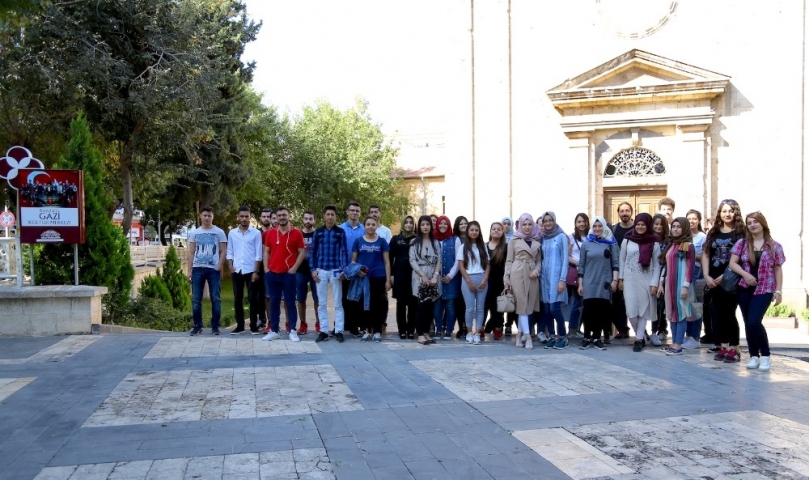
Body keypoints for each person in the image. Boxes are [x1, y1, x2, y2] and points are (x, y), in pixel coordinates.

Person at [729, 211, 785, 372]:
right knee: (748, 322)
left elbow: (778, 270)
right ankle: (754, 356)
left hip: (765, 288)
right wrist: (745, 275)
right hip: (744, 288)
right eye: (749, 222)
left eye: (755, 222)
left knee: (754, 321)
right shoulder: (742, 243)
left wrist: (779, 291)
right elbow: (733, 264)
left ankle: (765, 355)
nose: (752, 225)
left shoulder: (775, 246)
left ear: (762, 224)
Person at [701, 199, 746, 363]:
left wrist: (724, 277)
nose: (727, 214)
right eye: (724, 211)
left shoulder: (741, 233)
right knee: (715, 313)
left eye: (730, 211)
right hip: (712, 279)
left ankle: (735, 348)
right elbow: (706, 254)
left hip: (731, 280)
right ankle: (723, 346)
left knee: (728, 313)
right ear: (719, 213)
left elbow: (742, 259)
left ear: (736, 213)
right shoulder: (713, 232)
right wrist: (706, 275)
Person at [618, 213, 661, 352]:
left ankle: (639, 339)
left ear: (647, 225)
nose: (640, 227)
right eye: (638, 224)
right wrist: (620, 278)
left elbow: (656, 265)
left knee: (643, 310)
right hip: (629, 280)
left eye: (643, 224)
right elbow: (622, 260)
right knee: (631, 312)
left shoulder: (654, 242)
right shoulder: (627, 240)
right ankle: (641, 334)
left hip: (646, 279)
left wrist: (655, 283)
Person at [262, 206, 305, 342]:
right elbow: (266, 252)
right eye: (279, 215)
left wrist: (294, 269)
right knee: (274, 302)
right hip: (272, 273)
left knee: (290, 302)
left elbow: (301, 252)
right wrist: (266, 269)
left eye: (284, 215)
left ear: (289, 216)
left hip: (288, 274)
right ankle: (274, 330)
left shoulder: (297, 233)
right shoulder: (270, 233)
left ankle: (292, 330)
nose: (281, 217)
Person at [577, 216, 619, 350]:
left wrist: (615, 280)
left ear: (604, 227)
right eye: (595, 226)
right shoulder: (586, 244)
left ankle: (596, 338)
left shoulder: (611, 243)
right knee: (588, 310)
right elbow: (581, 265)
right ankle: (586, 337)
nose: (597, 229)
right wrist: (580, 284)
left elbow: (616, 264)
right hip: (589, 281)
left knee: (601, 311)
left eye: (600, 226)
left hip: (604, 281)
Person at [658, 217, 697, 355]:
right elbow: (666, 266)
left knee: (680, 314)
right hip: (670, 285)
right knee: (672, 313)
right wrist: (661, 282)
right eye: (673, 226)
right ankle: (673, 342)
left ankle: (678, 344)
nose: (675, 229)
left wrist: (686, 286)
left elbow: (690, 267)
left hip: (681, 285)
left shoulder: (688, 246)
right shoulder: (672, 244)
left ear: (684, 228)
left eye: (678, 227)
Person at [311, 204, 349, 343]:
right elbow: (313, 252)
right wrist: (313, 270)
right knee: (321, 303)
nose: (330, 217)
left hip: (335, 271)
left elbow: (344, 252)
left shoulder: (340, 232)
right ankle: (324, 331)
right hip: (321, 270)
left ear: (335, 216)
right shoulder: (319, 232)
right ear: (324, 216)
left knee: (338, 302)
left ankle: (339, 330)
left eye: (333, 214)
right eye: (328, 214)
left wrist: (343, 270)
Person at [187, 206, 227, 336]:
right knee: (196, 300)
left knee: (215, 298)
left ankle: (215, 326)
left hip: (213, 269)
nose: (207, 218)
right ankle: (197, 326)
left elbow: (223, 251)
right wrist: (189, 271)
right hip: (198, 269)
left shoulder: (219, 232)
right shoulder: (195, 233)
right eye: (205, 215)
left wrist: (219, 266)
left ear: (212, 217)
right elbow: (191, 252)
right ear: (200, 216)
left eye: (209, 215)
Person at [350, 216, 391, 342]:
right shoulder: (358, 241)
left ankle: (377, 331)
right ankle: (366, 330)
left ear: (377, 226)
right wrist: (358, 270)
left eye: (373, 224)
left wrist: (388, 280)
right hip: (363, 278)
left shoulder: (382, 241)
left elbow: (387, 262)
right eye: (368, 224)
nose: (371, 226)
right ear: (365, 226)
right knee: (364, 304)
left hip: (379, 277)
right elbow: (353, 261)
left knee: (378, 305)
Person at [505, 213, 542, 350]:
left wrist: (536, 271)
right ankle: (528, 337)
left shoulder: (537, 239)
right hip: (517, 273)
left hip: (532, 274)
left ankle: (519, 335)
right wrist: (506, 278)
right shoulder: (514, 239)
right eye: (524, 224)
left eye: (529, 224)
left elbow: (539, 261)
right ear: (520, 225)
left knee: (528, 306)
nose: (527, 227)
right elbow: (509, 260)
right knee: (522, 306)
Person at [226, 206, 263, 335]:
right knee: (238, 299)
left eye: (246, 216)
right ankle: (240, 326)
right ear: (238, 217)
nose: (244, 219)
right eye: (241, 216)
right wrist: (230, 266)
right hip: (237, 270)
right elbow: (229, 251)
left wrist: (256, 271)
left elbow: (258, 254)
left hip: (250, 270)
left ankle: (253, 326)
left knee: (253, 299)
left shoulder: (256, 233)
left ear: (250, 217)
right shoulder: (232, 233)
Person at [539, 212, 570, 350]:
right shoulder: (543, 238)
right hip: (545, 278)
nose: (547, 223)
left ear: (555, 221)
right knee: (546, 310)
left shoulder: (561, 236)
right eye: (545, 221)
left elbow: (565, 259)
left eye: (550, 220)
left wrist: (562, 279)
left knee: (555, 309)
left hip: (556, 277)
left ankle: (563, 337)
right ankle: (552, 336)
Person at [410, 215, 441, 345]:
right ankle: (420, 334)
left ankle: (427, 332)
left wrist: (435, 275)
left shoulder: (435, 242)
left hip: (433, 274)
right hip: (419, 275)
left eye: (427, 224)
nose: (425, 227)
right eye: (422, 224)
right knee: (421, 306)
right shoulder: (414, 242)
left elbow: (439, 259)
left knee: (430, 306)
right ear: (419, 226)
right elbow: (412, 260)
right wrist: (422, 275)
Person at [459, 221, 490, 345]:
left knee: (480, 308)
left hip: (481, 277)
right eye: (471, 230)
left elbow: (487, 265)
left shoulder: (482, 246)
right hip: (468, 278)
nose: (474, 232)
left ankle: (477, 332)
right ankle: (469, 332)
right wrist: (468, 281)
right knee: (470, 308)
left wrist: (485, 279)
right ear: (468, 231)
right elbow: (461, 266)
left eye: (476, 230)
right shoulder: (463, 247)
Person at [340, 202, 365, 336]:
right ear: (347, 212)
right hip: (344, 270)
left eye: (357, 210)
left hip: (359, 271)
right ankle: (342, 325)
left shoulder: (364, 230)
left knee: (356, 299)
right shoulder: (340, 229)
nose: (354, 213)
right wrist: (341, 270)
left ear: (360, 213)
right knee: (343, 299)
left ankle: (355, 326)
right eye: (352, 210)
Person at [610, 202, 634, 340]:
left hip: (634, 270)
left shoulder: (638, 228)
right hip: (617, 270)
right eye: (622, 211)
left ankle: (641, 330)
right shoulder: (614, 230)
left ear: (631, 212)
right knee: (616, 303)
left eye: (627, 210)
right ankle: (622, 329)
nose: (624, 213)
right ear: (618, 213)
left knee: (634, 301)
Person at [390, 216, 416, 339]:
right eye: (406, 222)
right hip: (399, 274)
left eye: (411, 222)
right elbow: (390, 259)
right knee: (400, 303)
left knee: (412, 303)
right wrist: (391, 275)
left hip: (414, 275)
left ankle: (411, 330)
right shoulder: (395, 239)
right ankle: (402, 330)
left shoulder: (417, 239)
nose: (409, 224)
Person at [434, 215, 460, 339]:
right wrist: (435, 276)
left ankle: (449, 330)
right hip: (436, 278)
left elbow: (458, 260)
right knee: (437, 305)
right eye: (440, 223)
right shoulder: (433, 239)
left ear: (448, 225)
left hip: (451, 279)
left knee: (450, 305)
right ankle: (438, 329)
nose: (443, 226)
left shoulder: (455, 239)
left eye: (445, 223)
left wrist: (450, 275)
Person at [686, 209, 707, 348]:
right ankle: (688, 336)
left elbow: (705, 257)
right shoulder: (684, 236)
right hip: (685, 272)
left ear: (699, 220)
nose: (691, 221)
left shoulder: (702, 237)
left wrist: (691, 254)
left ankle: (695, 337)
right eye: (689, 218)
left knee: (696, 305)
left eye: (694, 218)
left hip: (697, 272)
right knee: (686, 305)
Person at [295, 211, 318, 335]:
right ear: (302, 220)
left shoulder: (318, 234)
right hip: (300, 271)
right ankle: (303, 324)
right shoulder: (298, 234)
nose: (308, 221)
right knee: (301, 299)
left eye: (311, 218)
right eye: (306, 219)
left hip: (315, 271)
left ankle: (319, 323)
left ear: (314, 220)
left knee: (317, 299)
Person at [483, 221, 507, 340]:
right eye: (494, 229)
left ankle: (498, 329)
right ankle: (480, 329)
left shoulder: (505, 247)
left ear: (502, 232)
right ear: (490, 231)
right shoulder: (484, 246)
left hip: (500, 282)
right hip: (486, 281)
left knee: (498, 308)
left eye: (499, 229)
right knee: (484, 305)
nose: (496, 231)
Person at [567, 213, 589, 339]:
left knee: (584, 303)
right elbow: (568, 256)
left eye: (583, 221)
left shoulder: (591, 237)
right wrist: (579, 264)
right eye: (579, 221)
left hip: (589, 273)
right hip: (576, 273)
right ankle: (572, 329)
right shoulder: (571, 238)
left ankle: (577, 328)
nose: (581, 224)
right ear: (575, 223)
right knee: (577, 302)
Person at [650, 214, 670, 346]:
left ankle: (660, 330)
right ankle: (653, 330)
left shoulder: (668, 242)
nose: (658, 227)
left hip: (663, 276)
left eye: (660, 224)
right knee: (653, 305)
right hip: (649, 275)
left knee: (660, 305)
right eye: (655, 224)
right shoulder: (648, 240)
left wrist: (661, 280)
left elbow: (666, 262)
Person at [252, 207, 272, 331]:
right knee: (259, 295)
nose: (266, 218)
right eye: (263, 216)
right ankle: (262, 319)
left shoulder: (275, 231)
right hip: (258, 268)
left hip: (271, 268)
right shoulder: (256, 233)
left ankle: (272, 321)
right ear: (260, 218)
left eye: (268, 216)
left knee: (269, 295)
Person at [453, 216, 469, 339]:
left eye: (465, 223)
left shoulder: (473, 237)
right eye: (461, 224)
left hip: (472, 273)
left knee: (468, 303)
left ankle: (467, 327)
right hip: (459, 274)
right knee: (459, 303)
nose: (463, 225)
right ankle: (461, 327)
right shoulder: (455, 239)